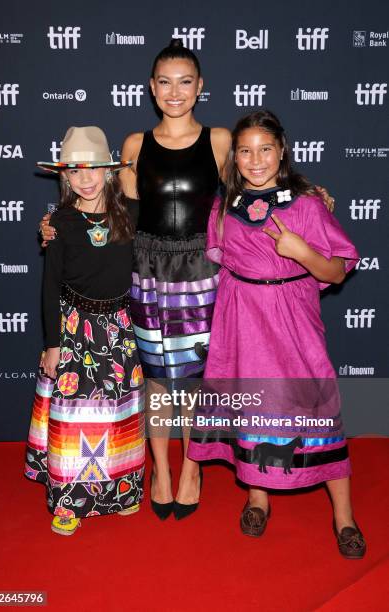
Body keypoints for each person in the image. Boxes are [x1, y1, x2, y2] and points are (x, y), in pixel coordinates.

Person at [39, 42, 335, 521]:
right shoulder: (135, 145)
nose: (174, 92)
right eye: (164, 82)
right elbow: (118, 215)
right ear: (152, 89)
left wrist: (307, 195)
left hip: (202, 270)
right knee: (157, 380)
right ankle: (160, 468)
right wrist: (58, 223)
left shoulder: (220, 139)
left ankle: (191, 468)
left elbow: (254, 187)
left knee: (195, 383)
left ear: (199, 87)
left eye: (184, 81)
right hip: (148, 272)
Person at [187, 110, 366, 559]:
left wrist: (302, 251)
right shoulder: (224, 207)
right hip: (242, 320)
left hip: (293, 318)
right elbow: (221, 262)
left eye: (265, 149)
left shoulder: (306, 205)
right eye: (245, 151)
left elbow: (337, 272)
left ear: (282, 152)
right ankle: (257, 499)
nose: (255, 159)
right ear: (235, 158)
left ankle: (344, 516)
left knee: (316, 406)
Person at [25, 126, 145, 535]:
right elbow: (49, 286)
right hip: (75, 328)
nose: (86, 177)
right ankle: (68, 501)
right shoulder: (59, 222)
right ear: (65, 177)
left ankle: (124, 490)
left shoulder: (131, 212)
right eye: (75, 171)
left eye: (93, 168)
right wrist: (53, 344)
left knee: (119, 413)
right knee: (74, 419)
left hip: (119, 329)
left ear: (109, 171)